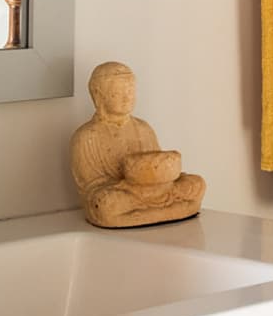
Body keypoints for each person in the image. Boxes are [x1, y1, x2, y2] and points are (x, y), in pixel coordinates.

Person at [70, 61, 205, 227]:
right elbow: (92, 187)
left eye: (131, 92)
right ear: (99, 95)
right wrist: (131, 186)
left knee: (196, 184)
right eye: (118, 93)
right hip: (125, 195)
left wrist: (164, 174)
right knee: (107, 204)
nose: (127, 98)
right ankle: (166, 210)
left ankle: (145, 213)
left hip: (155, 191)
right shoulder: (85, 137)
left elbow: (155, 167)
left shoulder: (144, 129)